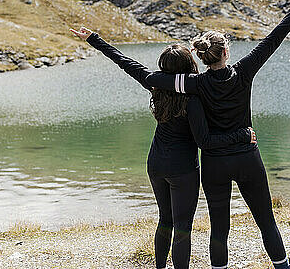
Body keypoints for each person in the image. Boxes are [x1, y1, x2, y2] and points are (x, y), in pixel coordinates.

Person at [144, 0, 290, 269]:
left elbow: (155, 79)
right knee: (266, 221)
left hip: (215, 164)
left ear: (202, 57)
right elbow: (275, 37)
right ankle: (283, 267)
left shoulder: (194, 85)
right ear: (226, 51)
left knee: (219, 229)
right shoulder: (245, 70)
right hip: (246, 157)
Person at [69, 27, 256, 269]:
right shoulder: (194, 99)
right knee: (182, 228)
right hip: (183, 170)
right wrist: (242, 135)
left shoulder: (156, 88)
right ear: (190, 66)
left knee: (165, 220)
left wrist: (94, 39)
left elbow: (124, 62)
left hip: (155, 163)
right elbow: (205, 142)